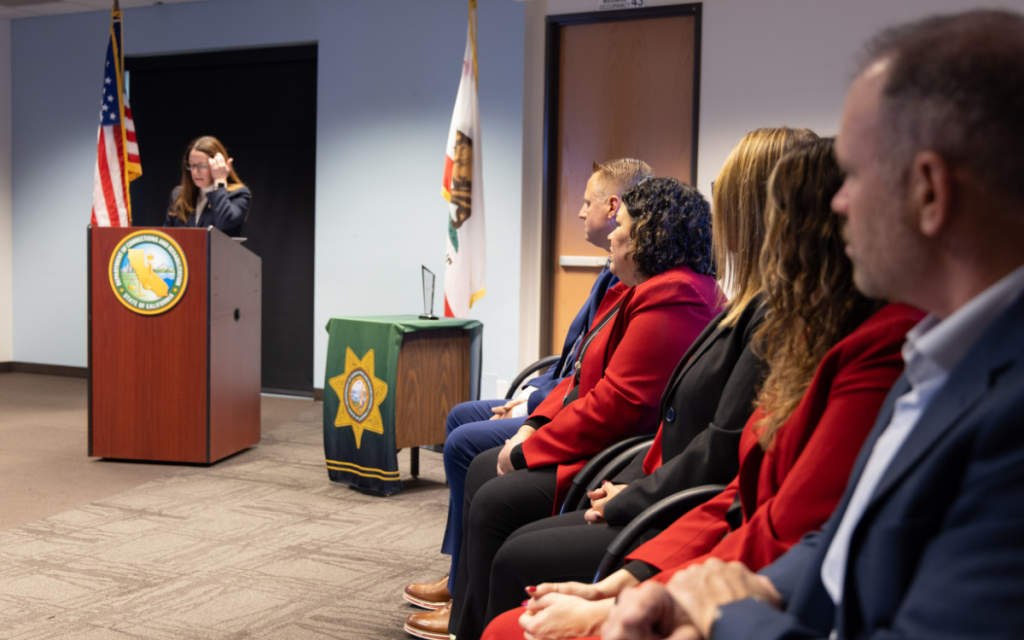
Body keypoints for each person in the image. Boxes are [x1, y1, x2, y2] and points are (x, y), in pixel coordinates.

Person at [600, 11, 1024, 640]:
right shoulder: (937, 354)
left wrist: (724, 615)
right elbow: (839, 539)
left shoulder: (995, 401)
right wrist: (693, 593)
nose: (838, 203)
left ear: (929, 193)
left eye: (853, 175)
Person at [483, 138, 923, 640]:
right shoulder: (800, 331)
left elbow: (689, 436)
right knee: (497, 508)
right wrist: (626, 584)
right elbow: (743, 491)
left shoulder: (838, 339)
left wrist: (634, 590)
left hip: (702, 536)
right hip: (686, 516)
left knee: (508, 551)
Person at [432, 178, 723, 640]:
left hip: (613, 457)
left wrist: (530, 449)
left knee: (491, 492)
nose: (611, 233)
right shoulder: (647, 288)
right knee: (486, 471)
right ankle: (464, 617)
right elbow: (579, 375)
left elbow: (618, 404)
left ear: (648, 235)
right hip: (603, 445)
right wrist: (535, 424)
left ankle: (471, 624)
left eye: (621, 224)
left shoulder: (674, 295)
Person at [403, 160, 651, 613]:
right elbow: (576, 361)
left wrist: (532, 410)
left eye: (587, 202)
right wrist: (532, 399)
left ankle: (464, 589)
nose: (579, 212)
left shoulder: (633, 284)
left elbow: (600, 387)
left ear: (615, 208)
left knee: (463, 444)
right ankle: (461, 571)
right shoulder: (612, 272)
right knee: (460, 417)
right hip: (558, 397)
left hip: (582, 424)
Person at [164, 135, 251, 238]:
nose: (195, 172)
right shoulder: (178, 195)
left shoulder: (239, 194)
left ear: (219, 165)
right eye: (192, 165)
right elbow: (167, 237)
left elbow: (223, 223)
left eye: (203, 165)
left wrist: (219, 182)